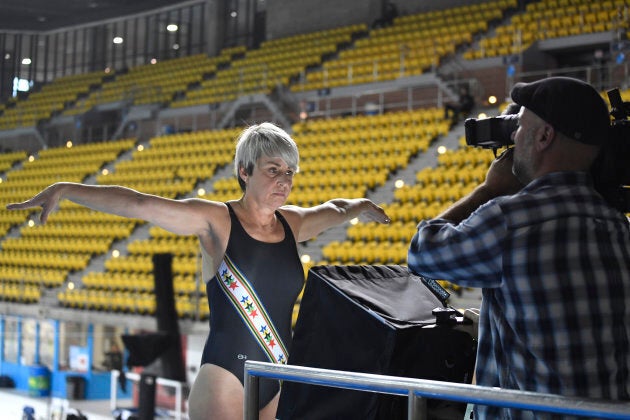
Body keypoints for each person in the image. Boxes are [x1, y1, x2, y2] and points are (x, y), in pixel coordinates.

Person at [7, 122, 391, 420]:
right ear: (244, 171)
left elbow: (337, 208)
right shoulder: (216, 220)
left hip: (280, 374)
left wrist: (363, 206)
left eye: (290, 172)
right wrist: (67, 188)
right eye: (273, 169)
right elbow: (140, 204)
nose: (285, 181)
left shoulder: (293, 224)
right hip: (225, 377)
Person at [408, 77, 630, 418]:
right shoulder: (617, 223)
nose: (513, 136)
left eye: (520, 126)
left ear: (544, 137)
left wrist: (488, 190)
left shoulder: (512, 221)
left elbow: (422, 254)